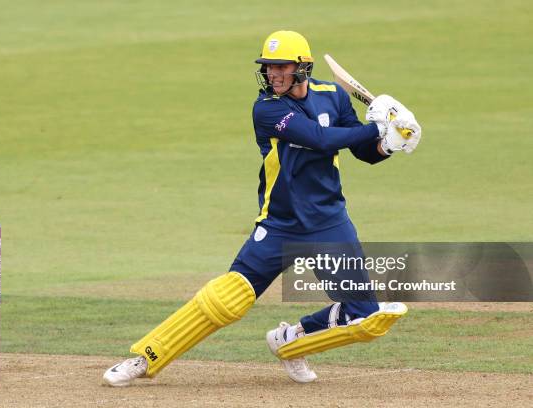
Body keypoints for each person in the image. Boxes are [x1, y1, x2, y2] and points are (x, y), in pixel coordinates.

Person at [103, 30, 421, 386]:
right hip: (280, 222)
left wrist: (390, 142)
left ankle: (291, 340)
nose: (273, 75)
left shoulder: (333, 96)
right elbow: (318, 139)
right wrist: (376, 127)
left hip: (328, 222)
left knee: (365, 318)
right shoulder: (267, 108)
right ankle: (145, 358)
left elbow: (363, 152)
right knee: (226, 299)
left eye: (280, 67)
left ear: (303, 67)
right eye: (268, 67)